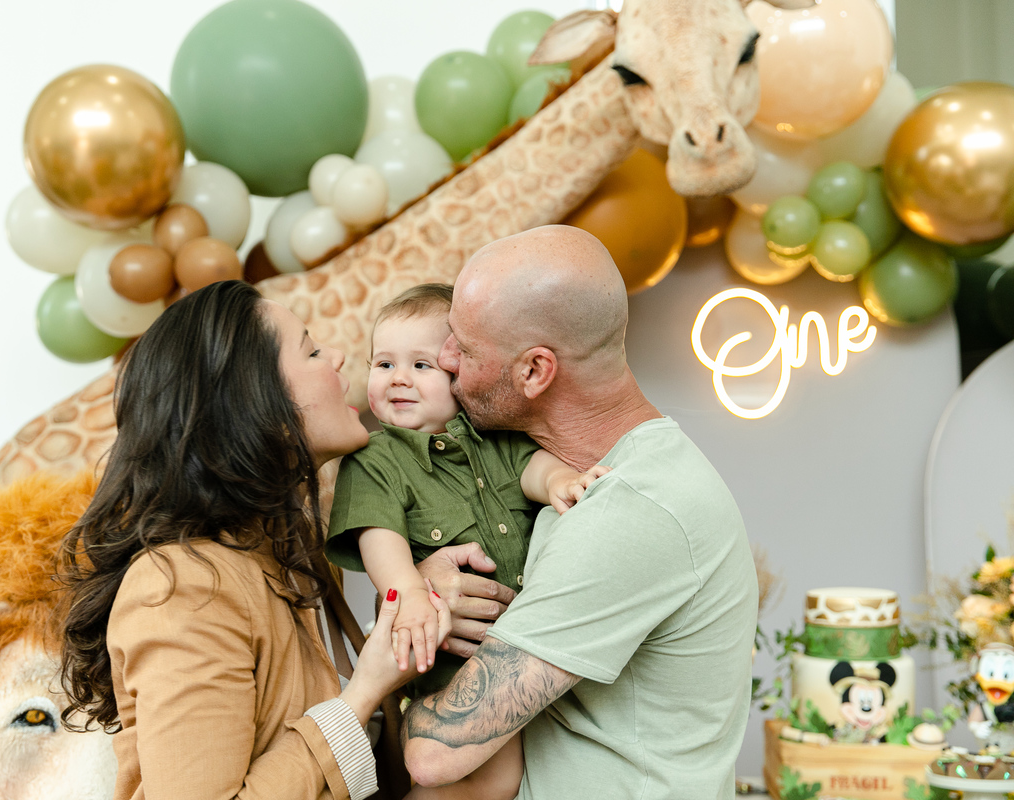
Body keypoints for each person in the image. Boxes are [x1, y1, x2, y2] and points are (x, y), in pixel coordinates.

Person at [402, 225, 759, 799]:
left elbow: (435, 753)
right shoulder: (565, 477)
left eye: (464, 349)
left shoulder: (630, 508)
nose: (443, 360)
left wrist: (410, 622)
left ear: (534, 371)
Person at [57, 279, 451, 800]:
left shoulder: (293, 551)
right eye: (311, 351)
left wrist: (420, 596)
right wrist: (365, 692)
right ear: (253, 401)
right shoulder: (181, 587)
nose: (338, 357)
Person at [325, 284, 605, 800]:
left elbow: (532, 468)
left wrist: (561, 480)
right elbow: (378, 537)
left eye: (421, 365)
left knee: (526, 771)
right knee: (486, 779)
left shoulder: (495, 439)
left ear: (460, 376)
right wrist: (410, 592)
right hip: (454, 658)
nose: (398, 378)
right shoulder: (374, 459)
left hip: (525, 649)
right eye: (383, 364)